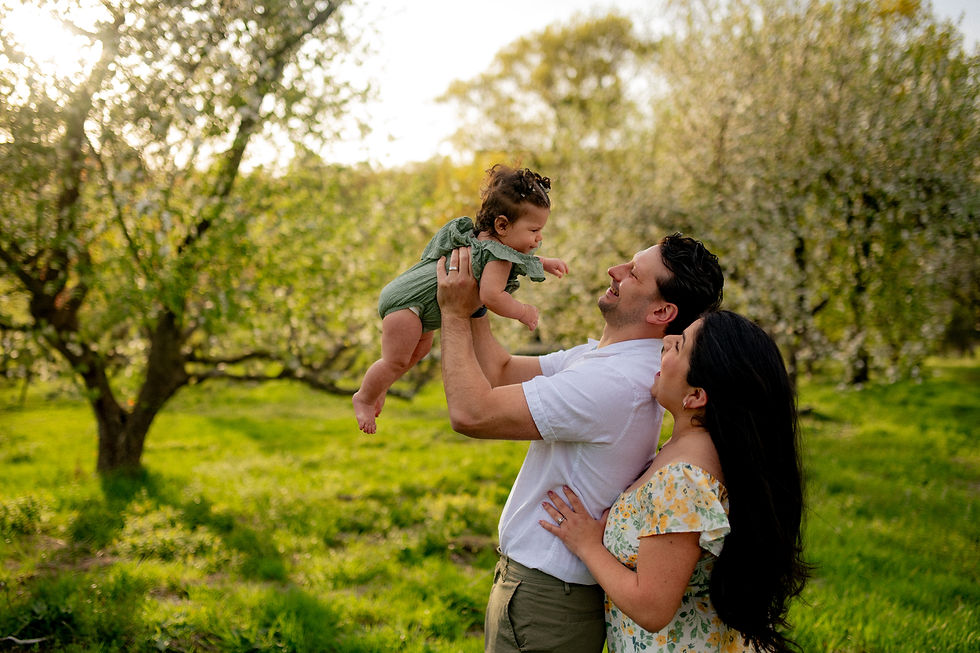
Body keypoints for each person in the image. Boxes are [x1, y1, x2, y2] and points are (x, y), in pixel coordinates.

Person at [435, 234, 724, 653]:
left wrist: (454, 314)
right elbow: (498, 370)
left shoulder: (614, 383)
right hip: (543, 591)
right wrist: (478, 300)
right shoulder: (606, 359)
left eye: (633, 273)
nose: (615, 271)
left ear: (663, 310)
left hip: (546, 599)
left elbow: (471, 413)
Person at [539, 310, 809, 652]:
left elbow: (652, 607)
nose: (665, 341)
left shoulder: (682, 478)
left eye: (678, 345)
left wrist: (588, 544)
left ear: (696, 396)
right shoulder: (703, 451)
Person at [353, 164, 569, 434]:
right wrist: (522, 311)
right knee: (395, 360)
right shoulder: (498, 257)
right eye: (534, 230)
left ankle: (378, 386)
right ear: (502, 225)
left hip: (412, 304)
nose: (539, 238)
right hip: (408, 305)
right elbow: (492, 296)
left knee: (414, 353)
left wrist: (544, 263)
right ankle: (363, 396)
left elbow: (517, 261)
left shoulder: (487, 243)